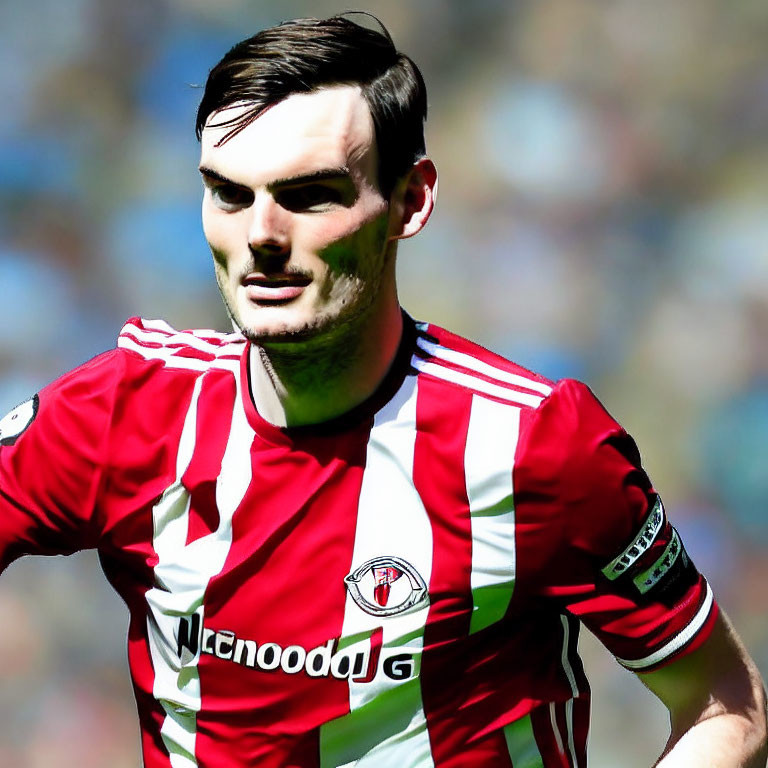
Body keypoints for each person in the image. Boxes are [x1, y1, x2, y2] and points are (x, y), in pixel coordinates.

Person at [0, 14, 765, 768]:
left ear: (411, 200)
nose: (262, 234)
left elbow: (725, 704)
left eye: (309, 195)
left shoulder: (533, 445)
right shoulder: (121, 413)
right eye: (230, 195)